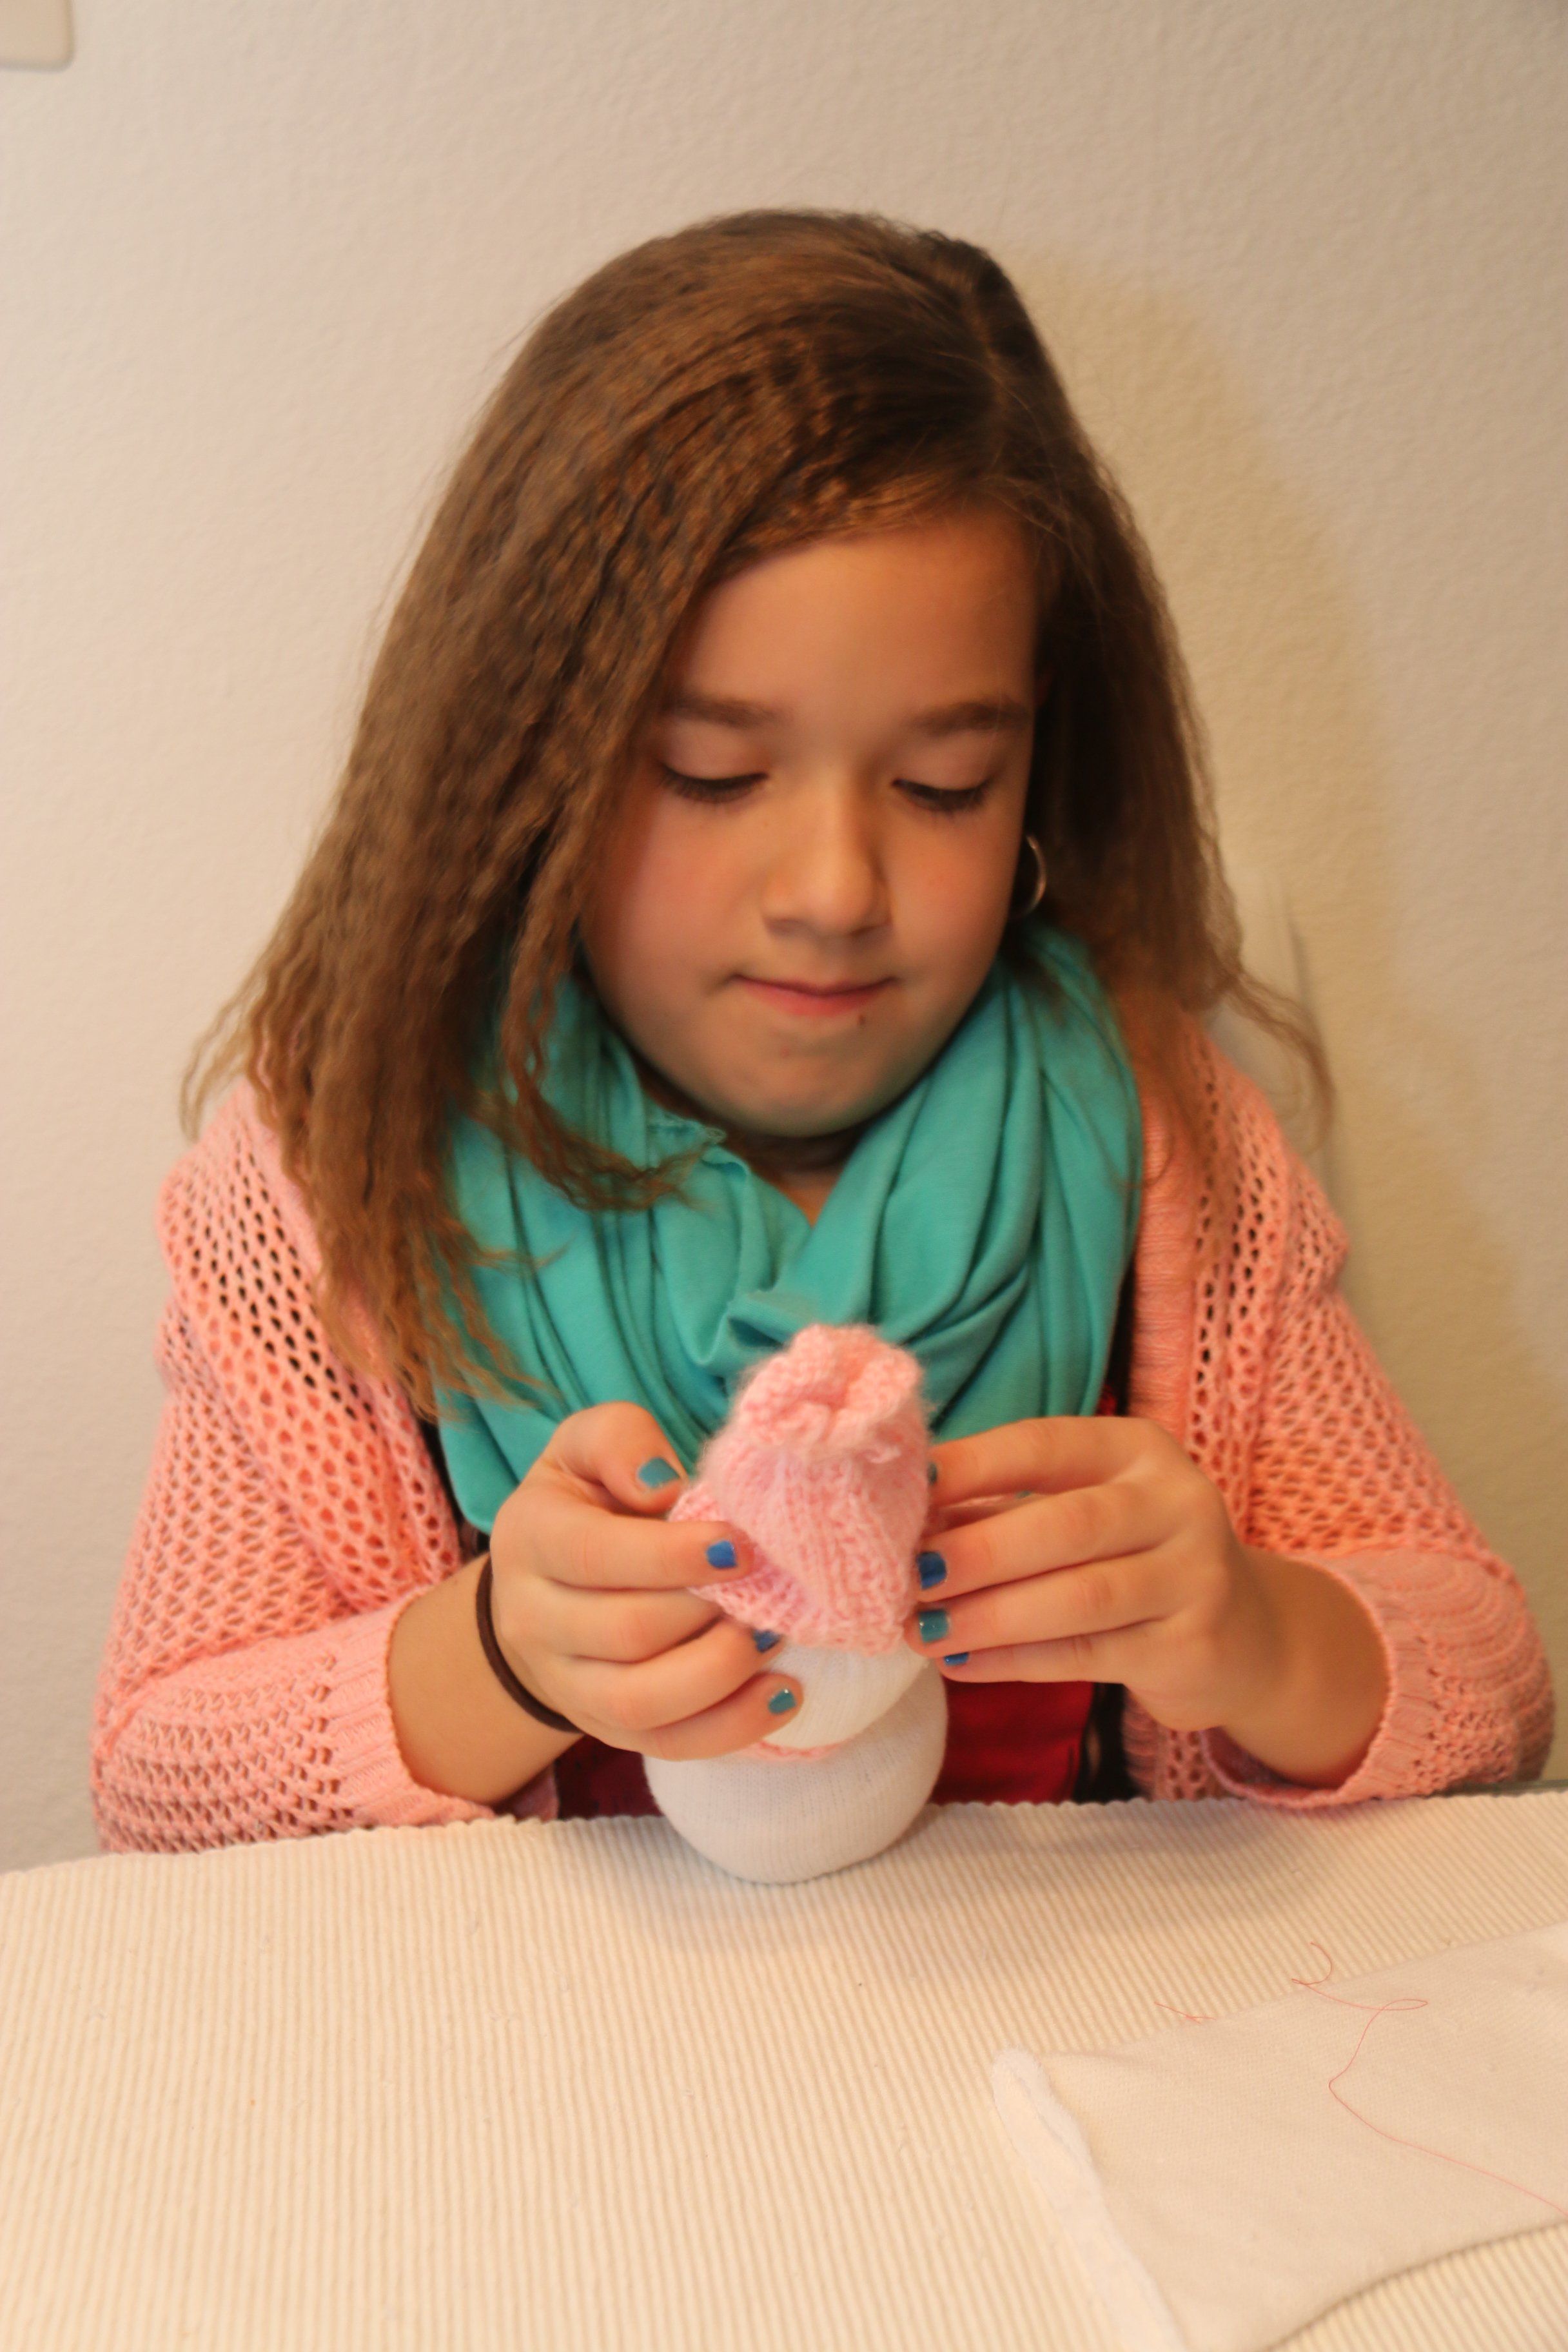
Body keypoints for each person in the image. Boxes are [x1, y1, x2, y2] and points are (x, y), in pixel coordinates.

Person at [90, 210, 1553, 1856]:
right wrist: (495, 1658)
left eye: (943, 785)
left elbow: (1492, 1672)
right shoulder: (330, 1182)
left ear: (1037, 773)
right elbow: (161, 1772)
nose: (836, 891)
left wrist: (1260, 1634)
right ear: (527, 771)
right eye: (713, 776)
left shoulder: (1160, 1141)